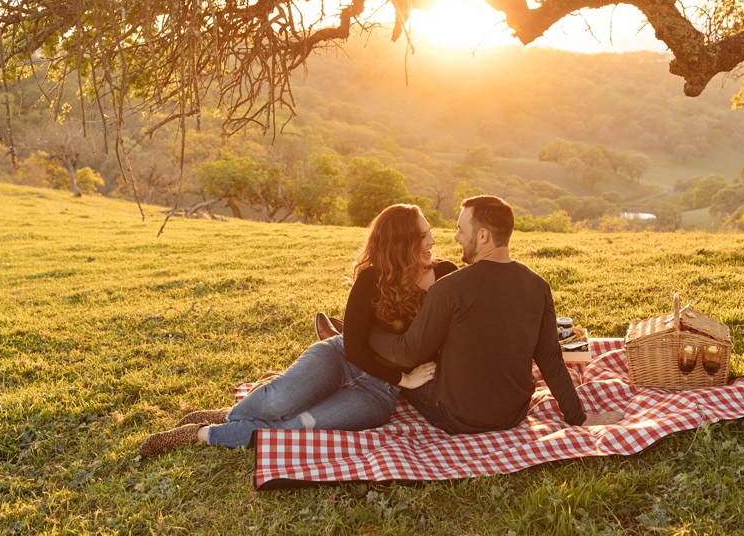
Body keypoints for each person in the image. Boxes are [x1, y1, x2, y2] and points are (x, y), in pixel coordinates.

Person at [136, 204, 454, 458]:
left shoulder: (445, 274)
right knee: (274, 404)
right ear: (401, 243)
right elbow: (355, 349)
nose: (432, 241)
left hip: (378, 394)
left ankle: (201, 434)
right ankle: (231, 412)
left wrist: (402, 382)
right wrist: (406, 378)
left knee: (299, 425)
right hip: (341, 358)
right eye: (423, 235)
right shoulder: (371, 279)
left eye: (429, 233)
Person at [370, 195, 622, 434]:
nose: (456, 237)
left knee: (411, 372)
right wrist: (577, 415)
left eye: (461, 229)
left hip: (457, 416)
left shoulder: (447, 289)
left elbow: (407, 353)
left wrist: (370, 333)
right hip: (513, 414)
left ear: (482, 236)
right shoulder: (537, 286)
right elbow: (550, 357)